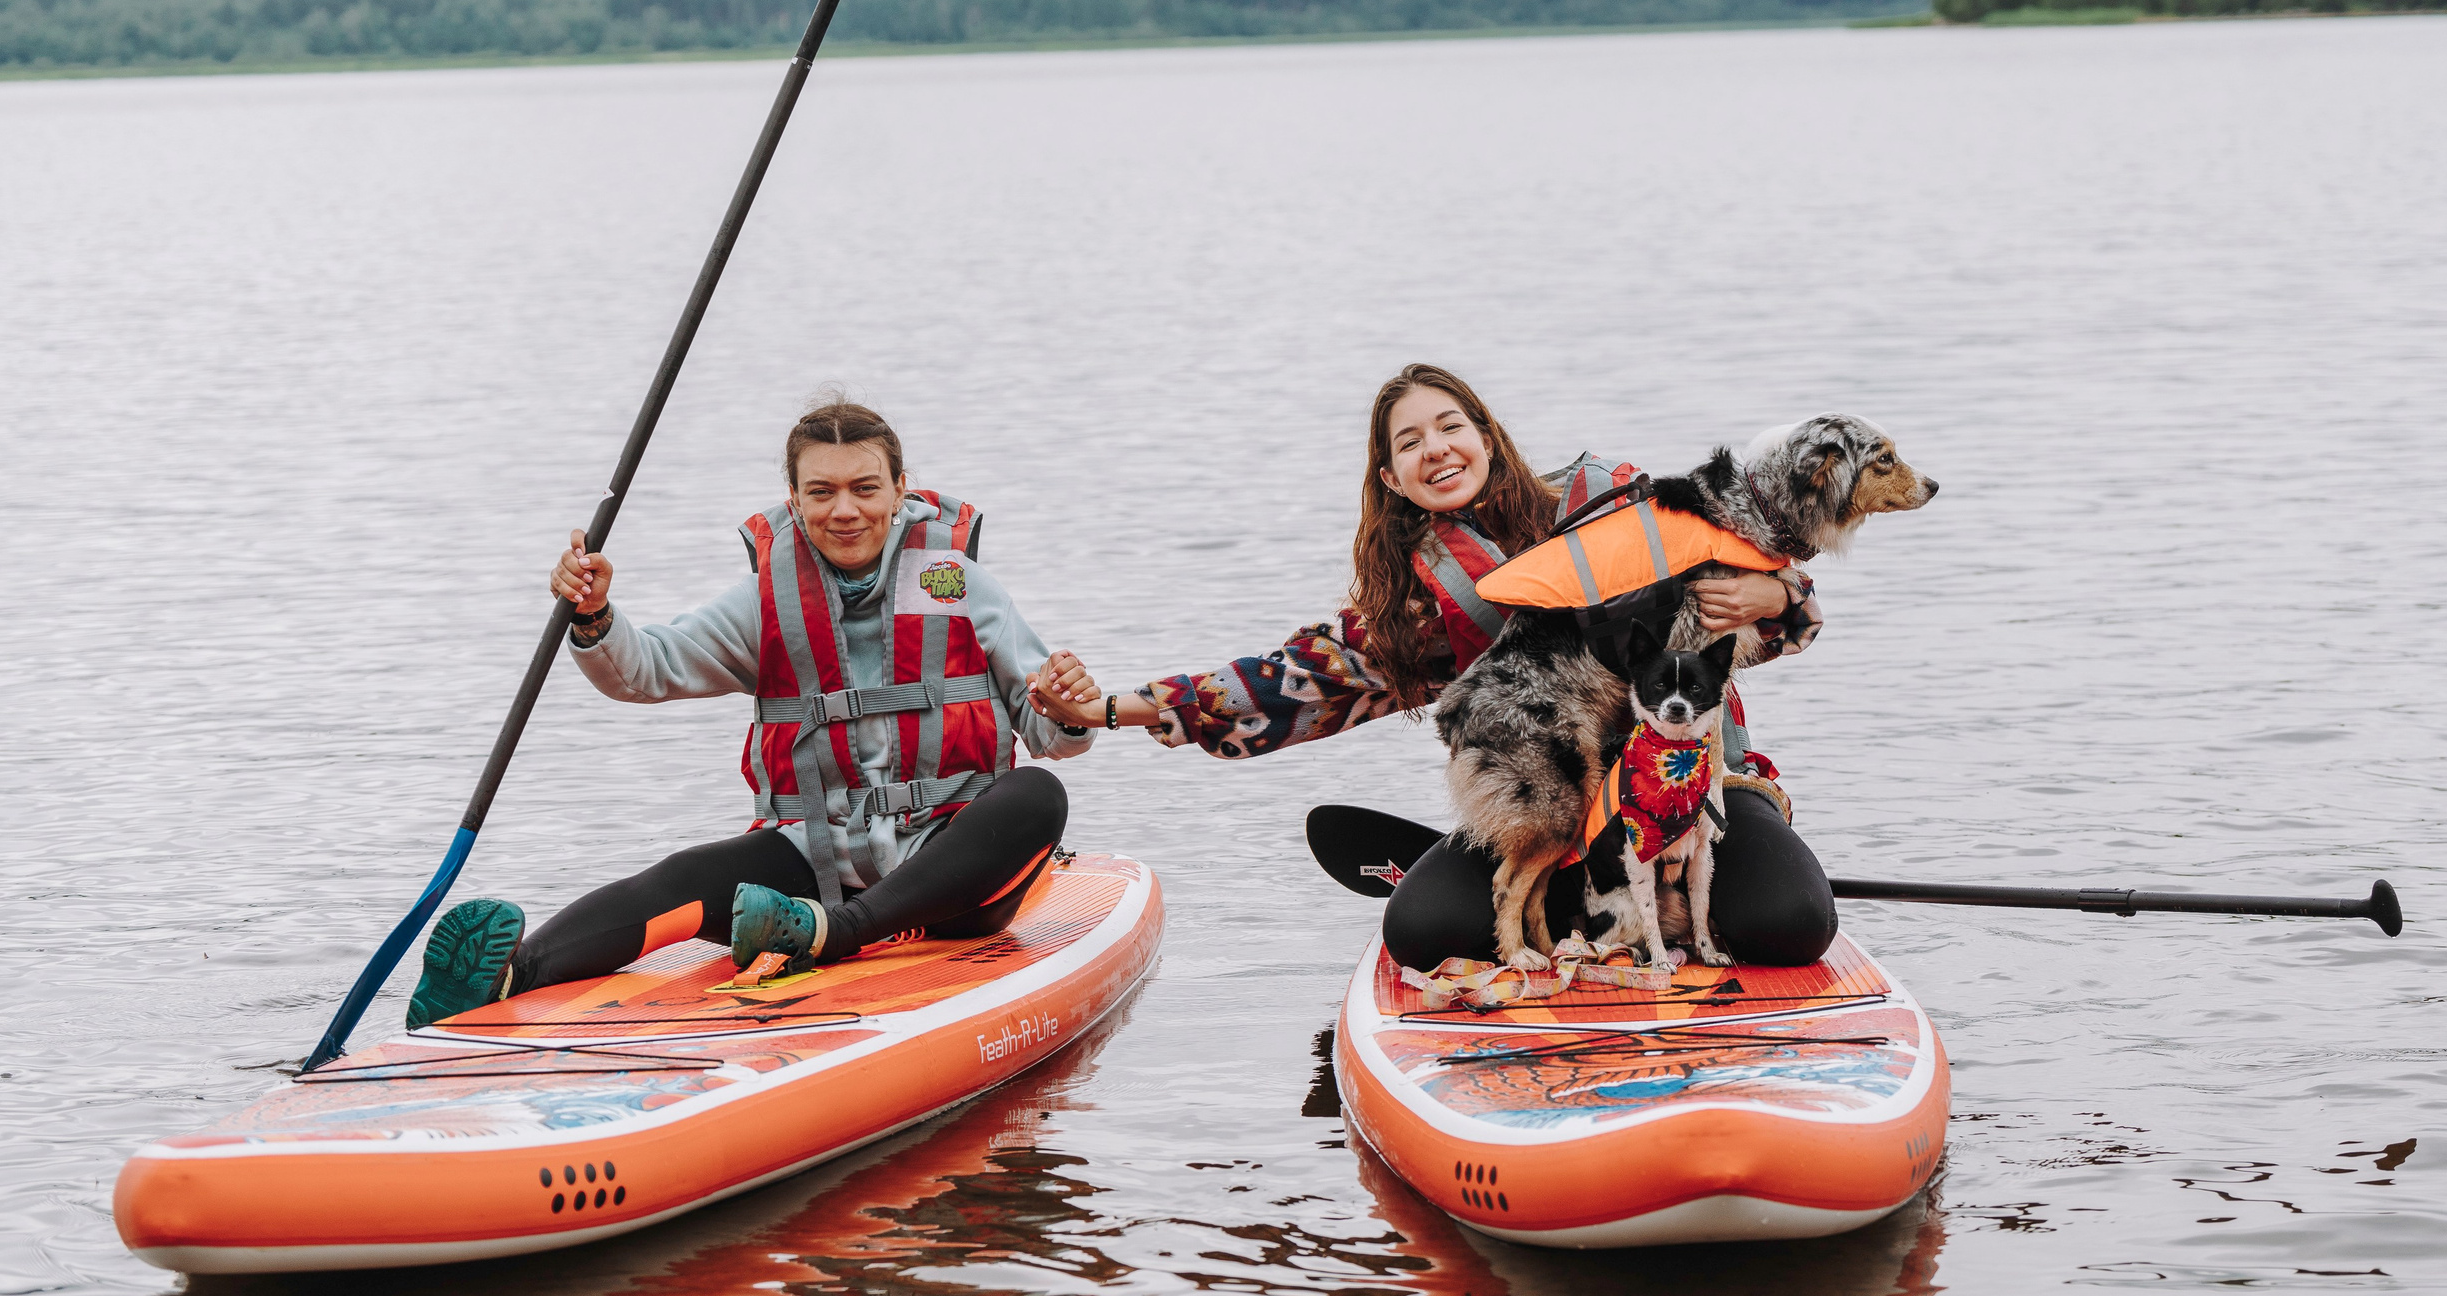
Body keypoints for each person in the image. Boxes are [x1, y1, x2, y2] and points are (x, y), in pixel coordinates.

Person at [1030, 363, 1838, 968]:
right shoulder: (1412, 611)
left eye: (1450, 426)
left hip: (1692, 794)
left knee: (1796, 921)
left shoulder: (1615, 499)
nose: (1437, 450)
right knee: (1417, 931)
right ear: (1391, 478)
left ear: (1486, 435)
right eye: (1409, 443)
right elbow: (1276, 685)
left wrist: (1776, 598)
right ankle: (1566, 897)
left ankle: (1660, 906)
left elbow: (1773, 579)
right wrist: (1105, 710)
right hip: (1554, 805)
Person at [407, 399, 1093, 1027]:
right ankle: (507, 977)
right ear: (794, 500)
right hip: (816, 861)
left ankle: (833, 933)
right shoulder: (769, 600)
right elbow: (647, 669)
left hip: (954, 871)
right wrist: (594, 617)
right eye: (821, 492)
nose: (845, 511)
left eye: (864, 487)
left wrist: (1066, 712)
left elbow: (1046, 729)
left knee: (1038, 793)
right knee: (680, 877)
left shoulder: (956, 583)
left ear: (899, 487)